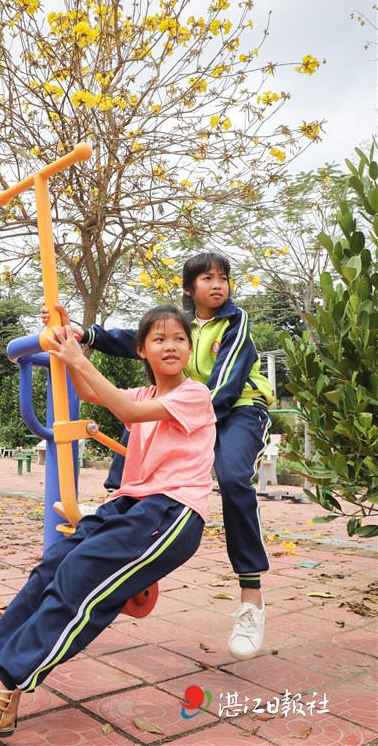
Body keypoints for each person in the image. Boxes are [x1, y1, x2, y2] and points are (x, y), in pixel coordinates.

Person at [0, 304, 216, 739]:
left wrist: (77, 355)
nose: (171, 346)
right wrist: (67, 343)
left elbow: (126, 415)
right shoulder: (143, 394)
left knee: (79, 582)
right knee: (53, 566)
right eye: (159, 339)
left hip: (170, 512)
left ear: (190, 348)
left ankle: (2, 689)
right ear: (141, 350)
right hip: (129, 504)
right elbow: (91, 391)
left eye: (180, 339)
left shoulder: (194, 394)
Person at [42, 251, 273, 661]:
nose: (217, 285)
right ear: (189, 289)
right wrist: (83, 336)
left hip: (235, 407)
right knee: (138, 437)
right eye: (207, 278)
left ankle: (251, 599)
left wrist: (188, 416)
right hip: (184, 406)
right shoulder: (178, 327)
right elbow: (135, 338)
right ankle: (121, 521)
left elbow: (223, 386)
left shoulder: (236, 324)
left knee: (234, 477)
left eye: (223, 278)